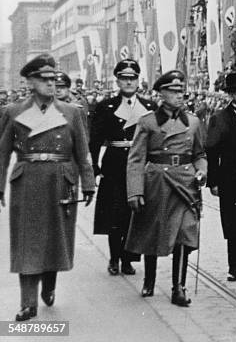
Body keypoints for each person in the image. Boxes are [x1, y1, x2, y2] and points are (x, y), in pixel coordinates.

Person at [0, 54, 95, 321]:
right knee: (27, 242)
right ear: (30, 82)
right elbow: (2, 152)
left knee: (54, 239)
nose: (51, 84)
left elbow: (82, 151)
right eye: (44, 79)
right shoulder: (13, 112)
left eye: (54, 79)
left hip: (60, 180)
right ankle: (27, 303)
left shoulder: (71, 112)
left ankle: (49, 284)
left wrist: (88, 182)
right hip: (27, 179)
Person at [125, 70, 207, 307]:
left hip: (185, 183)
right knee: (154, 231)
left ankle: (178, 287)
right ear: (161, 94)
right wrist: (135, 190)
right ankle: (149, 279)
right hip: (157, 182)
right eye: (173, 91)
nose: (179, 95)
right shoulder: (148, 122)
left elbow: (200, 154)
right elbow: (136, 159)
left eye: (181, 91)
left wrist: (202, 171)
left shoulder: (193, 122)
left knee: (184, 234)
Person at [89, 60, 157, 276]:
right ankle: (114, 257)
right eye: (124, 78)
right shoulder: (105, 106)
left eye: (132, 78)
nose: (128, 82)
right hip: (115, 163)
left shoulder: (149, 107)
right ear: (117, 80)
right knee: (114, 213)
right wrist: (94, 165)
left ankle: (129, 259)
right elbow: (95, 140)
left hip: (140, 165)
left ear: (138, 81)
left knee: (134, 214)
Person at [206, 72, 236, 281]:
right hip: (229, 179)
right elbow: (211, 151)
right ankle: (234, 266)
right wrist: (213, 181)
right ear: (232, 94)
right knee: (232, 223)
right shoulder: (219, 118)